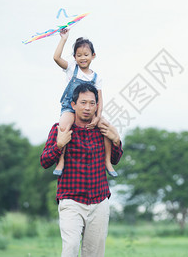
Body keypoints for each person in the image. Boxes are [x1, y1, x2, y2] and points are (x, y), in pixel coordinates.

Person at [40, 83, 123, 257]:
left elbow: (115, 160)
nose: (87, 108)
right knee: (70, 249)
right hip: (71, 200)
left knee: (94, 253)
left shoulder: (102, 130)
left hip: (99, 201)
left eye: (92, 103)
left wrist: (116, 140)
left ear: (97, 105)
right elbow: (45, 161)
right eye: (83, 102)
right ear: (73, 104)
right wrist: (59, 145)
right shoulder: (60, 129)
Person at [52, 28, 117, 177]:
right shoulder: (70, 68)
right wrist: (63, 39)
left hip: (90, 109)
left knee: (106, 127)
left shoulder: (96, 78)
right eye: (79, 55)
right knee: (63, 125)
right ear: (74, 57)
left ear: (93, 56)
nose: (82, 58)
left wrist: (97, 117)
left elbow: (99, 100)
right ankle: (61, 161)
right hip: (70, 107)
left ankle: (107, 161)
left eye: (86, 55)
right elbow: (56, 58)